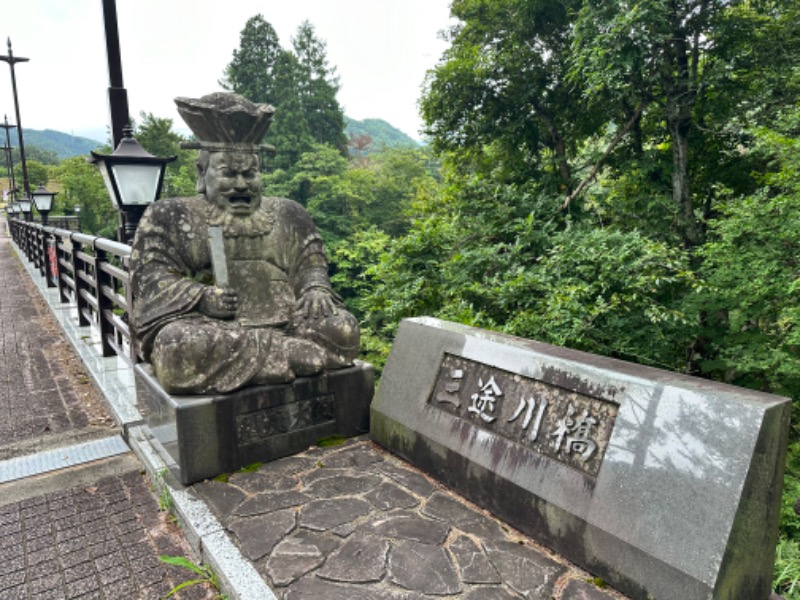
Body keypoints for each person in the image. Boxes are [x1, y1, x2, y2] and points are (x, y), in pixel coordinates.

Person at [130, 93, 359, 394]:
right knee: (178, 347)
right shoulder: (170, 215)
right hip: (216, 328)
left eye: (250, 173)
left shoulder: (289, 213)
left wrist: (316, 288)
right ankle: (287, 354)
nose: (241, 184)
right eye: (228, 173)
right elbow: (149, 278)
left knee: (344, 329)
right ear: (203, 173)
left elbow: (311, 263)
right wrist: (201, 297)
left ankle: (275, 355)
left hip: (287, 319)